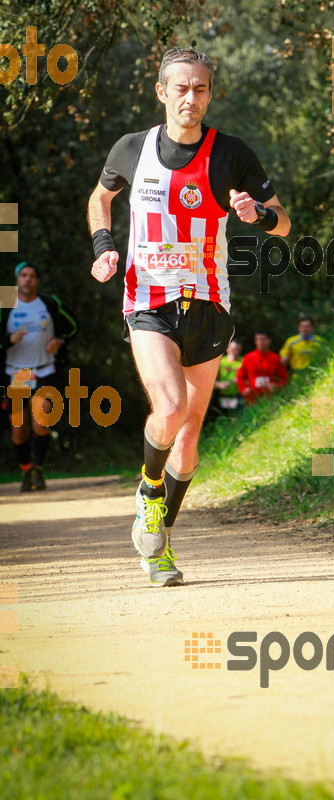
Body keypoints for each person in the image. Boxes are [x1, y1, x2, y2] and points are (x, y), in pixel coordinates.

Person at [87, 47, 290, 587]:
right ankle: (149, 491)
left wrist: (259, 214)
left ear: (208, 93)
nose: (191, 98)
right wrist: (104, 246)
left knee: (191, 435)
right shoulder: (133, 149)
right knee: (170, 407)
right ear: (162, 92)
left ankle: (158, 542)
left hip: (208, 303)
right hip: (147, 299)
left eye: (200, 88)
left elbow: (284, 224)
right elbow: (99, 200)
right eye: (181, 88)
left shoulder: (232, 153)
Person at [0, 261, 77, 491]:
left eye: (32, 275)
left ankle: (39, 470)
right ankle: (26, 468)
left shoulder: (49, 303)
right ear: (16, 279)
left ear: (37, 280)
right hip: (15, 373)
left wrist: (60, 342)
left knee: (41, 422)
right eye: (23, 275)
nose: (27, 279)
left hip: (44, 369)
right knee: (18, 430)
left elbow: (73, 326)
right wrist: (8, 341)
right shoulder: (5, 304)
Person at [236, 330, 288, 404]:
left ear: (269, 341)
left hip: (270, 400)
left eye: (263, 339)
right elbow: (240, 377)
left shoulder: (275, 358)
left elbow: (284, 378)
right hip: (251, 400)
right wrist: (243, 389)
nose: (260, 342)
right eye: (258, 339)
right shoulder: (248, 358)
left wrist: (276, 386)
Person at [214, 339, 243, 414]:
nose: (236, 352)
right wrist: (219, 385)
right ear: (227, 348)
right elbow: (210, 383)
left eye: (238, 350)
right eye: (234, 349)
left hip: (238, 396)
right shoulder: (220, 362)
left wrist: (240, 380)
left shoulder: (243, 361)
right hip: (222, 397)